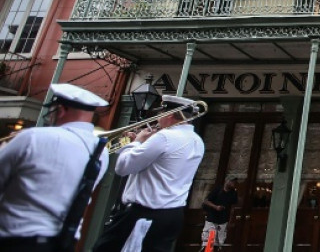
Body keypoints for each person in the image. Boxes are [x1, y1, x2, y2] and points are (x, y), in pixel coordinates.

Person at [0, 83, 110, 252]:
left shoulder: (32, 138)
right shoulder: (101, 152)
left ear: (60, 110)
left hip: (14, 240)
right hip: (62, 242)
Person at [93, 95, 205, 252]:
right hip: (173, 214)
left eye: (160, 114)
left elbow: (123, 167)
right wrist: (143, 145)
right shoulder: (197, 140)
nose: (157, 120)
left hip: (144, 213)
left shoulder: (164, 137)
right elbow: (164, 164)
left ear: (169, 115)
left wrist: (136, 142)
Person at [201, 176, 238, 251]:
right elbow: (206, 201)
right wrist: (215, 207)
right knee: (209, 241)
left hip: (223, 220)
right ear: (227, 181)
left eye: (234, 182)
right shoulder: (217, 190)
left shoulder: (233, 193)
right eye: (232, 182)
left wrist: (230, 220)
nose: (233, 184)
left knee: (219, 242)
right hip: (212, 219)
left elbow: (233, 207)